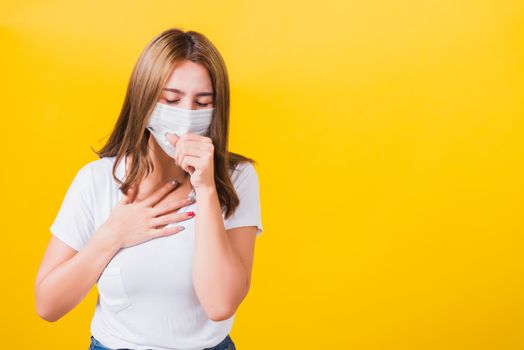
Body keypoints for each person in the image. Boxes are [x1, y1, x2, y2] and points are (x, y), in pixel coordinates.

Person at [34, 28, 263, 350]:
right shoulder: (96, 180)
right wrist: (113, 233)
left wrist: (207, 188)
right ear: (143, 99)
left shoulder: (237, 178)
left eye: (202, 103)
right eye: (170, 100)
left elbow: (221, 304)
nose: (186, 115)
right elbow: (48, 305)